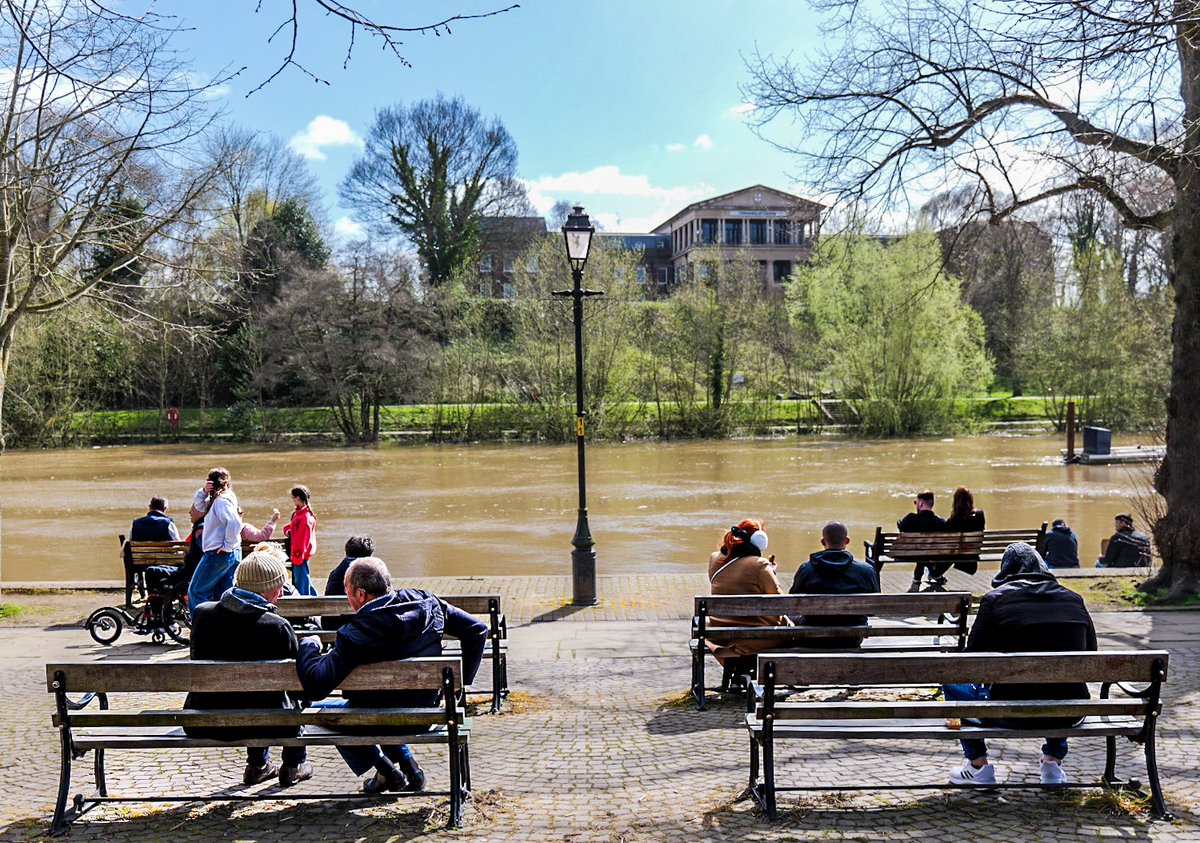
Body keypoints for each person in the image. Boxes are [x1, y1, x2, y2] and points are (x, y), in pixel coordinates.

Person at [296, 558, 489, 793]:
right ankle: (409, 769)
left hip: (374, 717)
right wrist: (460, 684)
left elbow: (316, 686)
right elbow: (478, 630)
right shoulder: (427, 602)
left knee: (320, 711)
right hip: (427, 714)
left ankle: (387, 770)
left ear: (361, 593)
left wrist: (308, 645)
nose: (347, 597)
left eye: (347, 591)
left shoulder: (354, 634)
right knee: (378, 708)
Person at [945, 542, 1097, 787]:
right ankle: (1052, 763)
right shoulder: (1074, 599)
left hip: (1008, 710)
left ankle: (978, 766)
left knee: (952, 679)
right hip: (1068, 712)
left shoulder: (994, 600)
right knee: (1062, 685)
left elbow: (970, 662)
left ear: (1006, 572)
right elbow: (1091, 654)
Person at [184, 551, 314, 787]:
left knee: (255, 698)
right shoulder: (277, 626)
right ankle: (293, 765)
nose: (282, 592)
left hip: (204, 720)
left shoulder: (202, 615)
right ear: (265, 589)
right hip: (266, 723)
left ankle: (258, 766)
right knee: (288, 703)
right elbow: (300, 688)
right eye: (278, 586)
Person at [706, 519, 792, 677]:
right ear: (760, 541)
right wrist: (770, 572)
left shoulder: (714, 559)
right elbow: (780, 602)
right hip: (755, 637)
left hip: (721, 635)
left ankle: (740, 672)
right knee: (792, 627)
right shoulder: (760, 565)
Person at [788, 521, 880, 648]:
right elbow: (873, 609)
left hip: (813, 636)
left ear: (823, 542)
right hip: (852, 637)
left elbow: (793, 605)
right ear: (847, 541)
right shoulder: (866, 571)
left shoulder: (807, 569)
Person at [187, 468, 243, 618]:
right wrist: (203, 492)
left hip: (219, 553)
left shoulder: (221, 500)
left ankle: (201, 630)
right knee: (223, 595)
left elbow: (234, 522)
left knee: (196, 591)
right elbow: (199, 507)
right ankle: (223, 631)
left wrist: (227, 546)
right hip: (233, 552)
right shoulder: (226, 496)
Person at [928, 486, 987, 583]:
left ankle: (934, 574)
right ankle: (936, 576)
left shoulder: (953, 521)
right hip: (971, 555)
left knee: (942, 552)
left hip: (956, 555)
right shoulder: (980, 515)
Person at [898, 490, 947, 591]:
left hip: (910, 553)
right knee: (925, 551)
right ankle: (934, 575)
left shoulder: (911, 519)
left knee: (921, 551)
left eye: (916, 502)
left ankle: (918, 578)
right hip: (933, 554)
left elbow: (900, 525)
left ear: (920, 503)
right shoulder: (940, 522)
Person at [284, 485, 318, 596]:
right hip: (301, 554)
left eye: (293, 498)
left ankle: (304, 602)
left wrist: (297, 557)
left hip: (300, 555)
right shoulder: (301, 514)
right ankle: (315, 598)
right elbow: (294, 529)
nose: (292, 500)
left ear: (298, 498)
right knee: (304, 577)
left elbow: (301, 541)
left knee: (301, 581)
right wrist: (288, 531)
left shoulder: (305, 518)